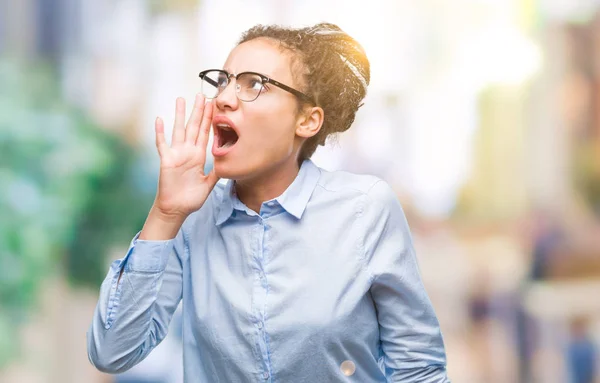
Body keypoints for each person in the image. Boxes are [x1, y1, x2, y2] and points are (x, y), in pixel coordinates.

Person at [87, 22, 450, 382]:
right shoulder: (192, 218)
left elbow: (419, 370)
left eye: (254, 84)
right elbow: (112, 353)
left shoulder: (364, 209)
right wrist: (165, 215)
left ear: (307, 120)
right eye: (223, 81)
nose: (224, 98)